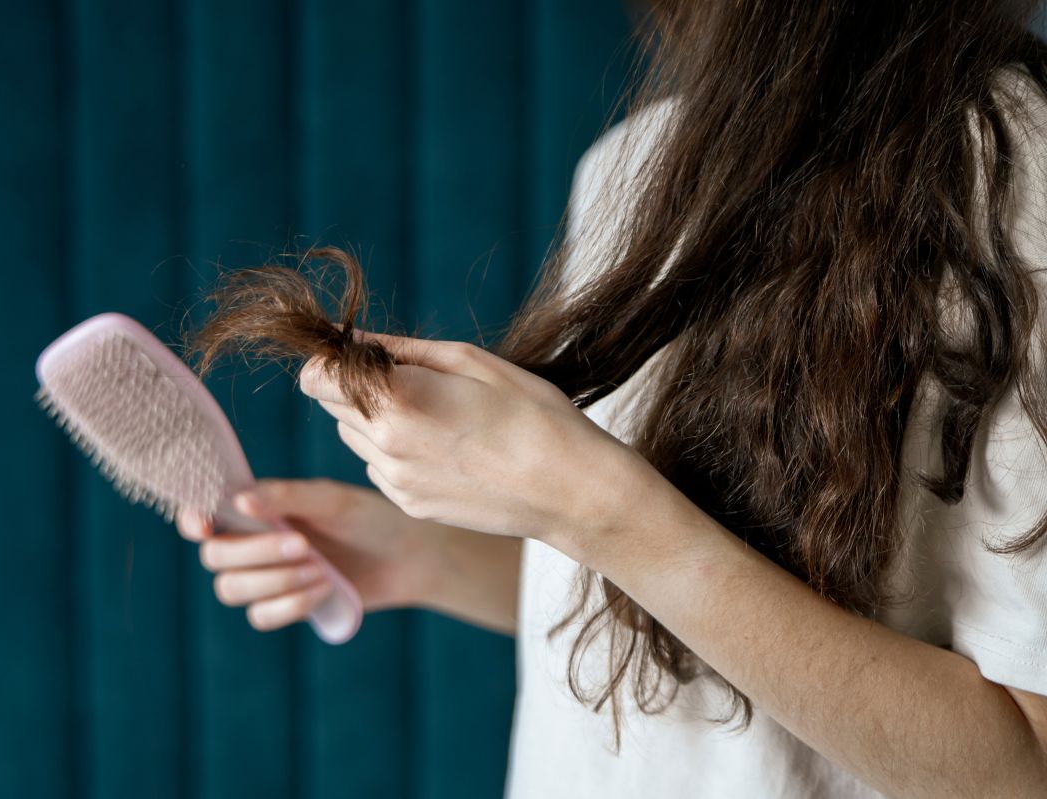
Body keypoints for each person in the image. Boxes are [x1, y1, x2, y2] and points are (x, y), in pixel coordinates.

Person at [177, 2, 1047, 796]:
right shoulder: (631, 165)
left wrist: (596, 502)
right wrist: (418, 554)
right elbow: (662, 603)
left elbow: (1026, 768)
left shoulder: (1022, 182)